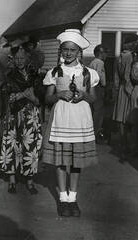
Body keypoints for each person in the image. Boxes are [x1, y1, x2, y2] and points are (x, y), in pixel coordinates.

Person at [43, 29, 99, 217]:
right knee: (60, 161)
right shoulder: (54, 72)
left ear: (79, 52)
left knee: (76, 162)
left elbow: (93, 99)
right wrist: (59, 94)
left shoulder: (88, 72)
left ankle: (73, 198)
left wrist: (84, 95)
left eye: (72, 50)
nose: (68, 53)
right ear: (61, 51)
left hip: (80, 121)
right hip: (61, 120)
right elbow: (47, 99)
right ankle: (62, 199)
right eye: (64, 49)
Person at [0, 45, 43, 195]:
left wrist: (28, 96)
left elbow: (38, 100)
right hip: (13, 115)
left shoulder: (34, 75)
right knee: (12, 145)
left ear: (27, 58)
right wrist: (15, 97)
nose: (19, 61)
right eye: (16, 58)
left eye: (22, 58)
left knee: (30, 147)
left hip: (31, 115)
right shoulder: (9, 75)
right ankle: (12, 181)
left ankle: (29, 181)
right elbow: (4, 95)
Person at [112, 34, 138, 157]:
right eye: (136, 43)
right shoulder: (129, 56)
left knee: (121, 118)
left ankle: (123, 144)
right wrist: (131, 91)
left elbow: (116, 76)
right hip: (129, 89)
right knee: (129, 118)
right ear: (132, 43)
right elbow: (127, 75)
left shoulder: (120, 56)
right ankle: (129, 146)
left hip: (122, 89)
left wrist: (118, 89)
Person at [89, 45, 107, 143]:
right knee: (98, 112)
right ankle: (95, 135)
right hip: (98, 88)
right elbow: (99, 77)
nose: (106, 55)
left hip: (93, 87)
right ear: (101, 53)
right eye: (105, 53)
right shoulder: (99, 62)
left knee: (94, 111)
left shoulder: (93, 62)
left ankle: (93, 133)